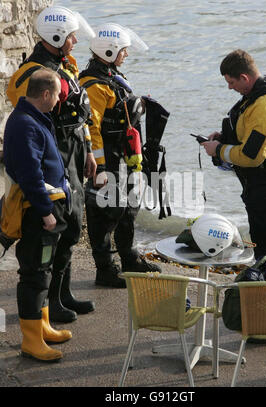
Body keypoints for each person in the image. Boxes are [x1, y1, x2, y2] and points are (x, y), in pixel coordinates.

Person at [6, 6, 97, 322]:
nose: (75, 41)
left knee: (72, 224)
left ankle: (63, 293)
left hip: (72, 151)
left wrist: (87, 150)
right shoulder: (32, 73)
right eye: (71, 36)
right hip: (54, 153)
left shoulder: (65, 65)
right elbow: (32, 114)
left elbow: (79, 113)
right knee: (57, 225)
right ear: (56, 36)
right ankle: (50, 303)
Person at [202, 49, 266, 276]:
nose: (230, 88)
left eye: (231, 82)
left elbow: (252, 157)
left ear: (244, 78)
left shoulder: (265, 105)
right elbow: (262, 138)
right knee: (265, 248)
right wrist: (224, 138)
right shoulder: (263, 91)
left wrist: (219, 150)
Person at [79, 23, 161, 288]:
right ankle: (105, 269)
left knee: (128, 208)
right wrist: (100, 167)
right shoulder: (93, 85)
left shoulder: (111, 76)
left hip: (123, 159)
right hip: (108, 162)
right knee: (104, 212)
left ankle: (129, 259)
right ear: (110, 51)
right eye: (123, 50)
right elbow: (91, 128)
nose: (126, 54)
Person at [3, 68, 72, 362]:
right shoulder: (25, 124)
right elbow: (30, 173)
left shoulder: (32, 119)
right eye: (57, 95)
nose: (58, 101)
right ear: (45, 94)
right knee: (33, 273)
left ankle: (42, 325)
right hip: (37, 212)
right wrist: (45, 212)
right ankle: (31, 341)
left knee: (43, 270)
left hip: (47, 206)